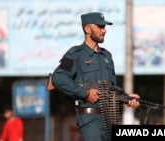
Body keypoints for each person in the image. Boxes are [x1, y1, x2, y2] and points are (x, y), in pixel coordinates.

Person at [51, 12, 140, 141]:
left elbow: (112, 88)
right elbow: (58, 77)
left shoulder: (106, 56)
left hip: (110, 118)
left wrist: (127, 98)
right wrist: (85, 94)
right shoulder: (75, 54)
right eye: (100, 26)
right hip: (90, 120)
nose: (104, 30)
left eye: (104, 27)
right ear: (87, 29)